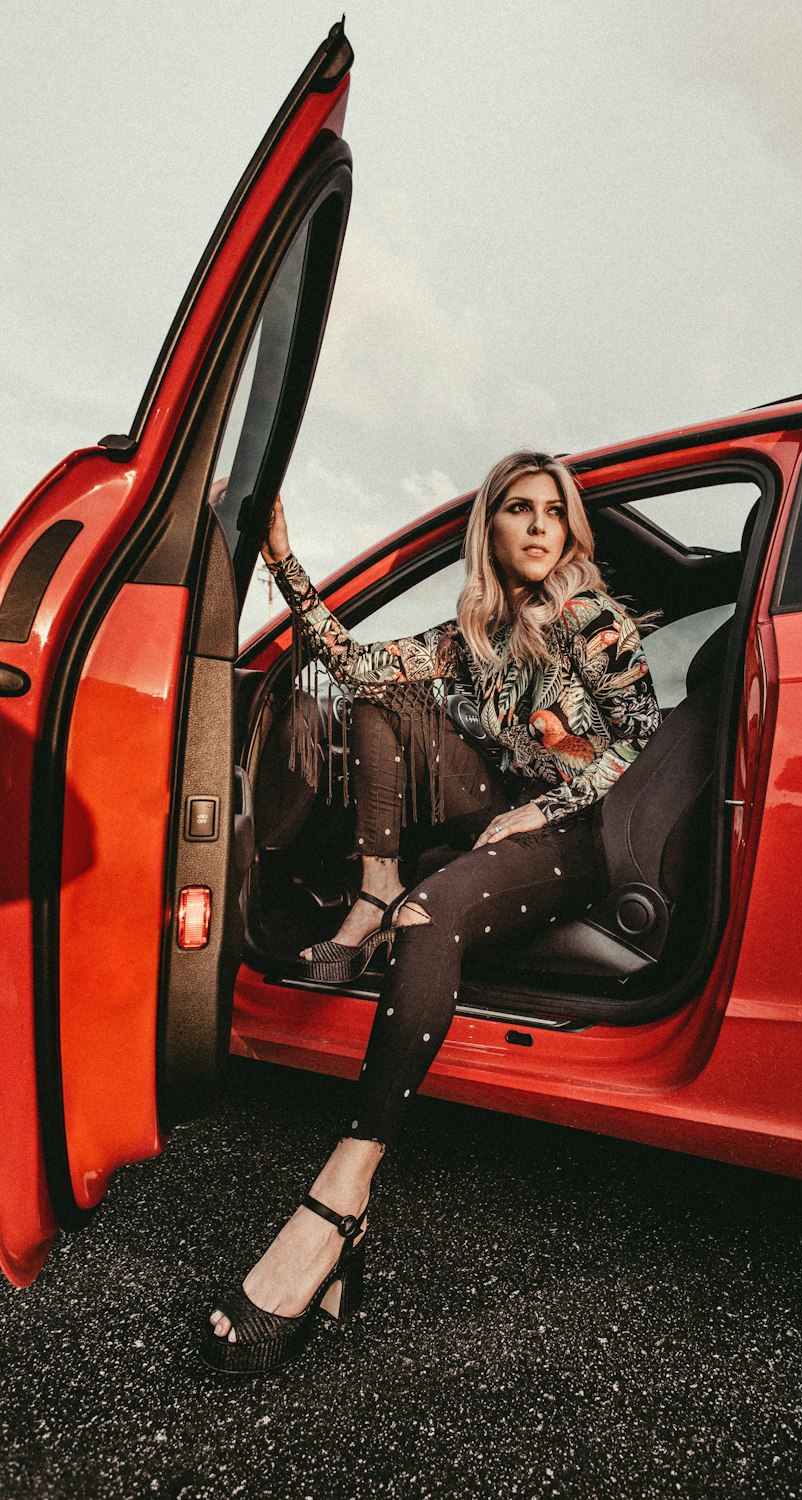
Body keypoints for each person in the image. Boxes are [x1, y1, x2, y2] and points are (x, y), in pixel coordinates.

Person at [201, 450, 660, 1375]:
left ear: (571, 531)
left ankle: (341, 1197)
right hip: (504, 815)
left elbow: (641, 737)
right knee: (379, 696)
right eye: (518, 510)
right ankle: (373, 886)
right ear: (489, 528)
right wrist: (285, 560)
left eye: (553, 512)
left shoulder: (594, 618)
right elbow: (354, 659)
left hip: (579, 833)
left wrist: (542, 808)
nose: (538, 526)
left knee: (427, 917)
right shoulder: (470, 636)